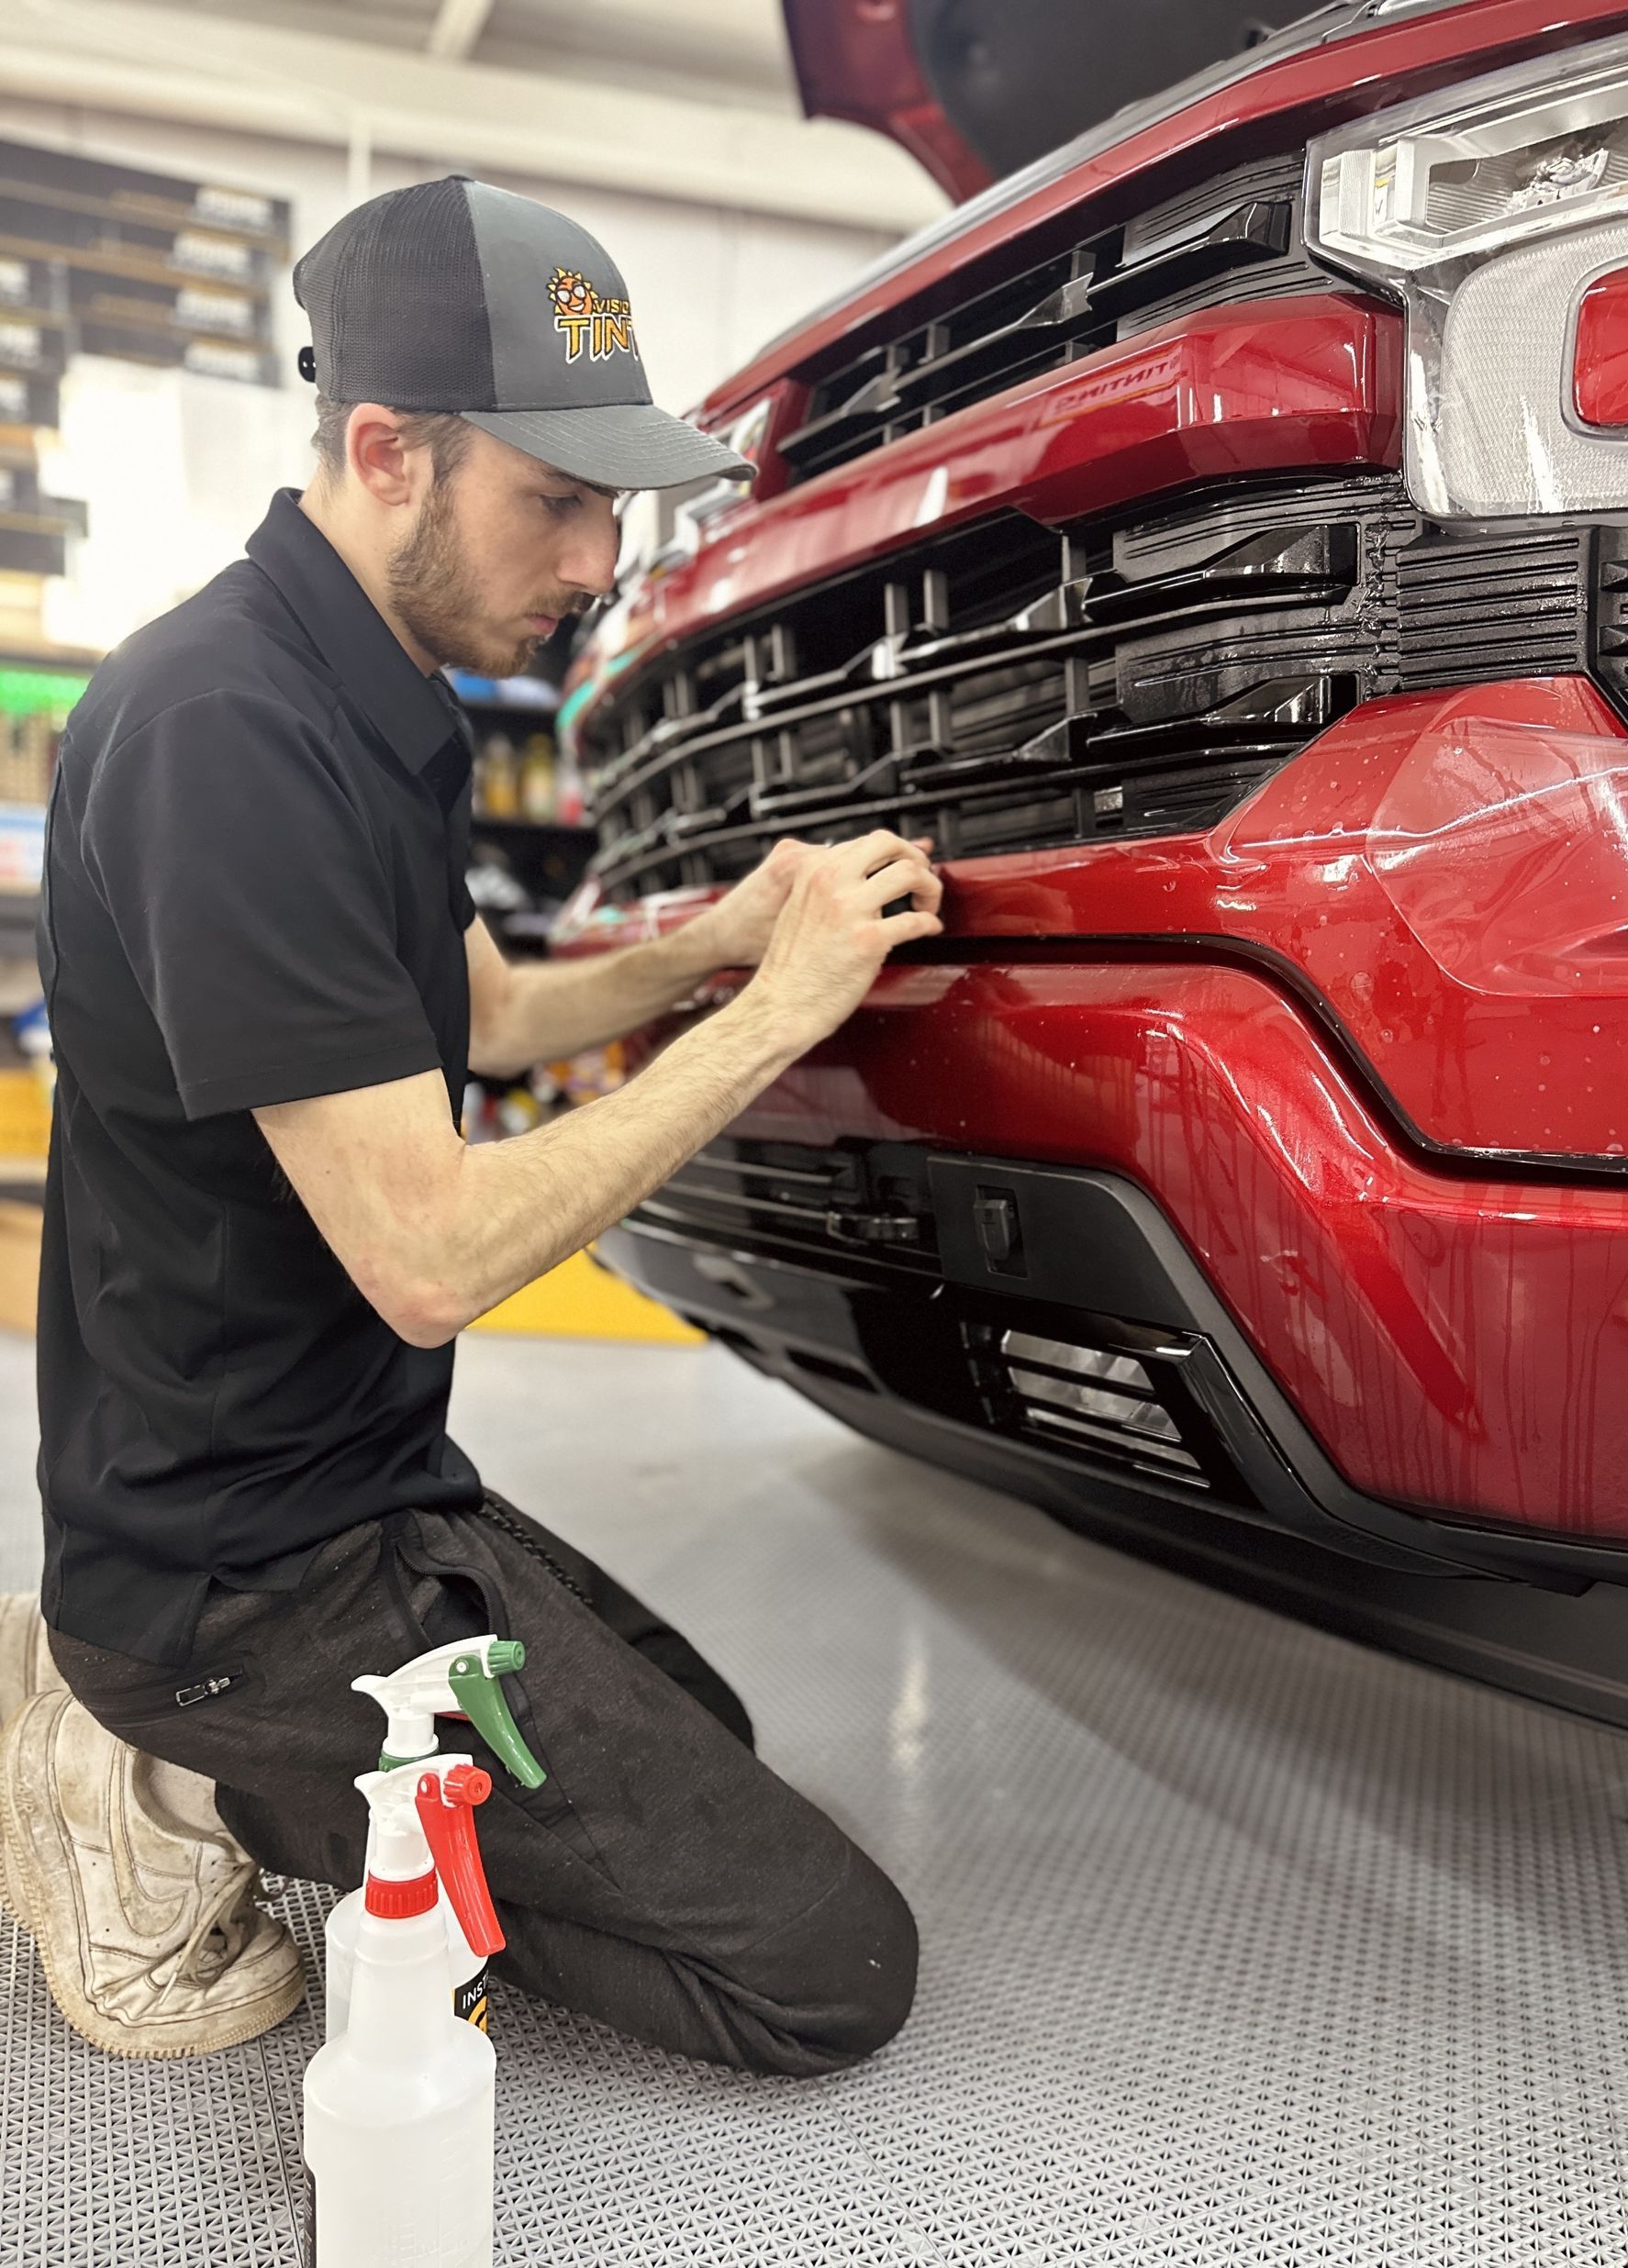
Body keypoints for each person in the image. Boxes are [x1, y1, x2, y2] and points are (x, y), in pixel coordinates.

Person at [0, 174, 941, 2067]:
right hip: (245, 1572)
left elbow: (490, 1012)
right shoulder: (226, 733)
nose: (600, 557)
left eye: (613, 502)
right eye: (558, 497)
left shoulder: (379, 692)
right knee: (824, 1972)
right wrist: (775, 1016)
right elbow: (425, 1253)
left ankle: (206, 1734)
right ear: (386, 449)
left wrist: (717, 936)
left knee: (715, 1742)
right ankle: (156, 1768)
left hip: (361, 1491)